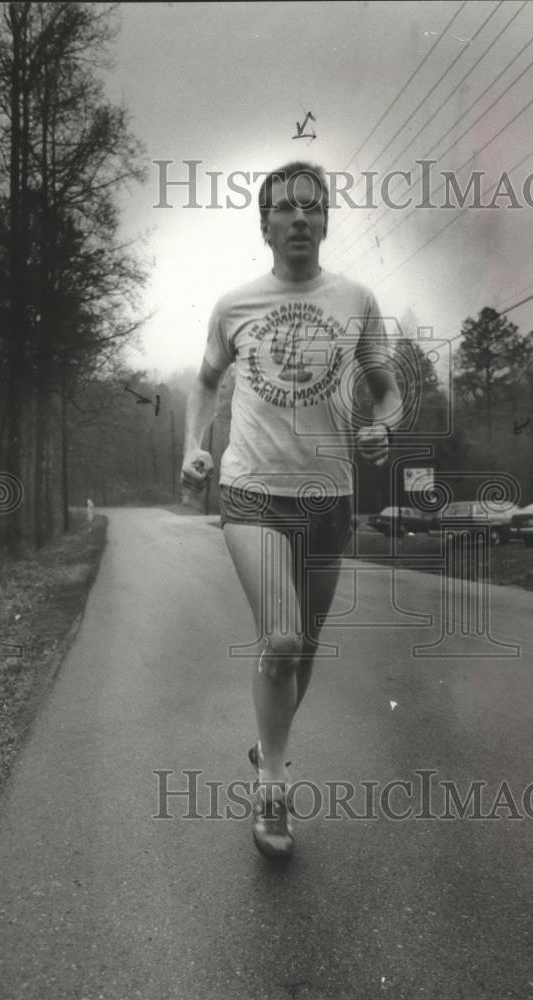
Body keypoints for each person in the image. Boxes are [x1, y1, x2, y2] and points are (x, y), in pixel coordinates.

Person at [181, 161, 402, 860]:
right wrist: (193, 444)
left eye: (313, 207)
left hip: (329, 498)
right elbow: (206, 382)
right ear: (265, 224)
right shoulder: (235, 304)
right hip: (251, 492)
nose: (300, 218)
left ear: (327, 221)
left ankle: (265, 744)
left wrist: (385, 424)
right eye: (286, 208)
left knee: (302, 646)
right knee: (280, 640)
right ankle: (271, 787)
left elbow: (387, 389)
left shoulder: (357, 300)